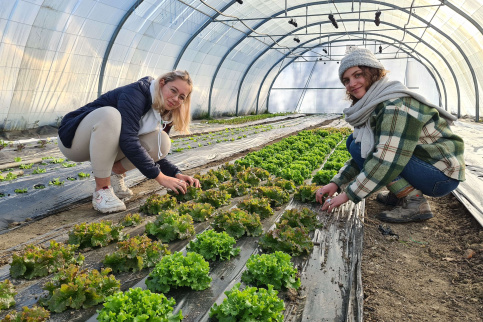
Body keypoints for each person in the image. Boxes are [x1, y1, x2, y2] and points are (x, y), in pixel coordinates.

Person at [316, 47, 465, 223]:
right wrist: (337, 183)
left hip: (440, 174)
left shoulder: (393, 104)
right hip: (426, 165)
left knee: (363, 148)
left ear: (372, 73)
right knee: (355, 142)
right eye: (346, 80)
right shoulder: (377, 102)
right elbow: (367, 152)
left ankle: (414, 201)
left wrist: (347, 195)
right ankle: (400, 192)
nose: (352, 84)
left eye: (358, 75)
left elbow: (386, 158)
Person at [57, 70, 200, 213]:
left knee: (162, 141)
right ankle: (102, 190)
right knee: (110, 114)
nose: (176, 99)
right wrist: (160, 177)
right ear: (162, 83)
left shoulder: (164, 111)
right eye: (173, 90)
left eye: (181, 97)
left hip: (107, 146)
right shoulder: (136, 93)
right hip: (75, 141)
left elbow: (158, 153)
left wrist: (176, 174)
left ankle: (114, 173)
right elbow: (128, 140)